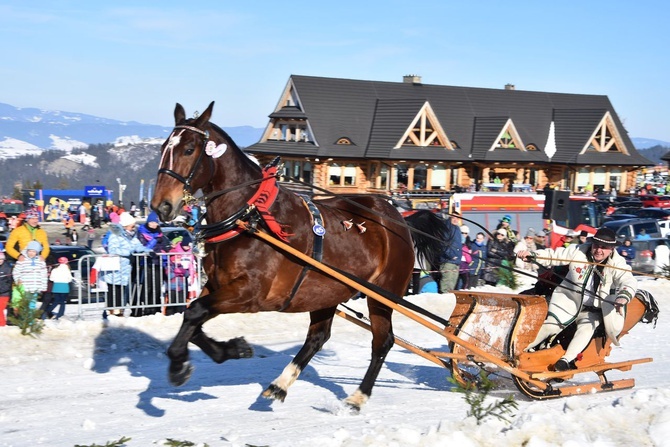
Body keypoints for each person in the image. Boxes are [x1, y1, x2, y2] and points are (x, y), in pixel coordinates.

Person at [516, 228, 636, 371]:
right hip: (568, 303)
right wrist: (532, 255)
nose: (599, 250)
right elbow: (553, 255)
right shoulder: (577, 251)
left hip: (594, 310)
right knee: (550, 325)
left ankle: (566, 360)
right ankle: (517, 351)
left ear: (612, 249)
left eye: (604, 247)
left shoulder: (618, 263)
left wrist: (623, 298)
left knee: (587, 327)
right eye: (596, 245)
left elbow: (628, 281)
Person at [99, 212, 152, 317]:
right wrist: (128, 251)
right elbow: (112, 249)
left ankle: (120, 311)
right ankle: (112, 312)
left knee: (122, 290)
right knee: (114, 290)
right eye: (132, 225)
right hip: (115, 268)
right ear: (126, 225)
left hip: (125, 269)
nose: (133, 227)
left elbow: (137, 246)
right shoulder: (115, 235)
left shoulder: (132, 236)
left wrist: (148, 250)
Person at [133, 211, 170, 315]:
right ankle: (146, 308)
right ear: (148, 222)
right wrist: (154, 240)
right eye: (152, 222)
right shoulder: (141, 232)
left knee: (157, 287)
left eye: (155, 222)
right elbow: (144, 247)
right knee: (147, 287)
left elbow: (164, 245)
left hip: (158, 263)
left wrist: (165, 250)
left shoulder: (159, 232)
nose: (154, 225)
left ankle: (156, 308)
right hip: (147, 264)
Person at [11, 241, 48, 319]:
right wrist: (18, 280)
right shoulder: (22, 260)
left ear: (37, 252)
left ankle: (30, 321)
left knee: (32, 304)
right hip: (25, 286)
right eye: (30, 251)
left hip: (35, 287)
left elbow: (44, 274)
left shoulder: (40, 261)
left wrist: (44, 286)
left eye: (33, 251)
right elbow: (16, 271)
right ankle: (24, 321)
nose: (31, 253)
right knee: (25, 304)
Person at [437, 213, 462, 292]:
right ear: (450, 218)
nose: (455, 219)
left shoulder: (457, 229)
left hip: (456, 261)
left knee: (452, 284)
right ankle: (444, 299)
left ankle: (449, 299)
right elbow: (442, 244)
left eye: (457, 218)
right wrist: (450, 255)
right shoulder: (447, 228)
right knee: (447, 283)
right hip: (448, 260)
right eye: (453, 217)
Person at [456, 225, 472, 290]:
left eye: (466, 233)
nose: (464, 234)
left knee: (461, 282)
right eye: (462, 233)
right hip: (462, 266)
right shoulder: (463, 246)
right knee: (463, 282)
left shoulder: (468, 243)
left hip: (463, 266)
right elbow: (468, 259)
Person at [0, 252, 12, 326]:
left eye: (1, 259)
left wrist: (2, 289)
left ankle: (2, 323)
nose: (0, 261)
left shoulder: (7, 268)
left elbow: (9, 282)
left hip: (4, 293)